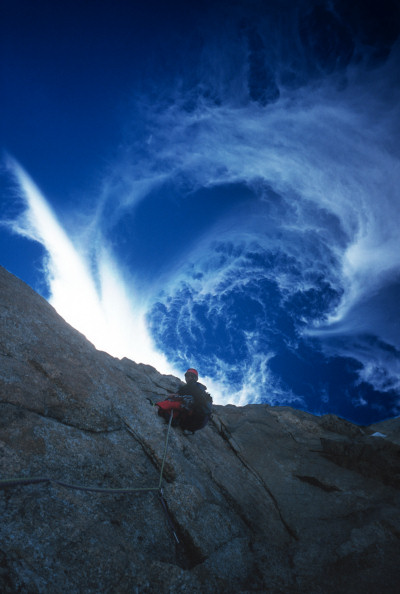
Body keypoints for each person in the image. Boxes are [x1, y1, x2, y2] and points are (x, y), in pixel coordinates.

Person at [156, 368, 213, 433]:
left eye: (191, 376)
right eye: (187, 375)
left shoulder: (191, 386)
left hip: (193, 415)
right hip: (198, 423)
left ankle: (157, 407)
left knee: (172, 402)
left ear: (195, 378)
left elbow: (176, 398)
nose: (189, 377)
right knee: (175, 411)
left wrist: (171, 398)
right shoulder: (201, 390)